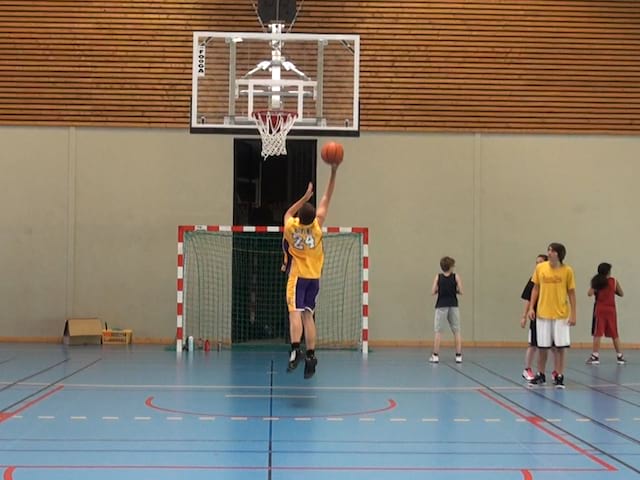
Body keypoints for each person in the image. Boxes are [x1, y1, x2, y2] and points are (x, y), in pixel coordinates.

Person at [282, 164, 339, 379]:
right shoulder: (317, 226)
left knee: (294, 313)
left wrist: (305, 197)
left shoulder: (290, 226)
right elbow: (327, 196)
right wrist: (333, 171)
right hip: (315, 278)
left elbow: (288, 212)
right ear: (315, 217)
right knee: (308, 316)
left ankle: (296, 350)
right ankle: (311, 356)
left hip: (297, 277)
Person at [527, 242, 576, 389]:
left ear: (559, 254)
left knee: (560, 348)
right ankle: (540, 374)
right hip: (543, 313)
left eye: (552, 251)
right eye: (548, 250)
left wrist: (574, 314)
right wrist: (531, 308)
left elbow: (571, 293)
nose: (549, 253)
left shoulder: (567, 271)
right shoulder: (540, 268)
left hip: (561, 315)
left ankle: (559, 375)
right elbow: (535, 289)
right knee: (542, 347)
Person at [586, 263, 625, 365]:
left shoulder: (597, 282)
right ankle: (620, 356)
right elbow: (621, 293)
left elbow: (589, 293)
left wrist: (596, 288)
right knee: (614, 333)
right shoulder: (614, 281)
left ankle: (595, 356)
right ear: (608, 271)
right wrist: (612, 291)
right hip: (611, 310)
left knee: (597, 333)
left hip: (600, 309)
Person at [429, 256, 464, 364]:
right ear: (450, 267)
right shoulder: (456, 277)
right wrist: (454, 290)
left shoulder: (438, 277)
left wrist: (440, 290)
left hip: (441, 306)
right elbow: (461, 291)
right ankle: (458, 356)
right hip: (453, 305)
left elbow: (433, 291)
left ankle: (435, 355)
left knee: (438, 331)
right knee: (456, 331)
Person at [520, 254, 548, 381]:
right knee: (533, 344)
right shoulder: (533, 280)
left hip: (549, 315)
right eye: (536, 262)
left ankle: (550, 372)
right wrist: (524, 316)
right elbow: (528, 299)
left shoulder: (550, 279)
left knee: (551, 346)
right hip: (536, 315)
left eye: (540, 262)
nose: (537, 265)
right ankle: (527, 369)